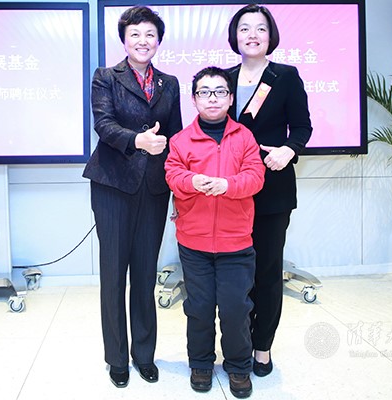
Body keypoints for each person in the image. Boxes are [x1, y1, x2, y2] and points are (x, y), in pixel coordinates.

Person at [82, 5, 182, 388]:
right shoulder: (106, 77)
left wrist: (180, 189)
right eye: (135, 34)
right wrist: (138, 140)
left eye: (150, 34)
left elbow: (177, 136)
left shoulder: (170, 83)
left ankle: (144, 354)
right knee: (113, 274)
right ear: (124, 40)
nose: (143, 41)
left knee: (144, 273)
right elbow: (103, 125)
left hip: (154, 187)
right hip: (113, 184)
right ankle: (117, 358)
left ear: (158, 41)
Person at [165, 66, 265, 399]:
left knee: (236, 307)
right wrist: (192, 180)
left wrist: (228, 185)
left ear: (231, 98)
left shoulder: (245, 137)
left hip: (236, 242)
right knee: (199, 307)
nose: (212, 98)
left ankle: (238, 366)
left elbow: (255, 177)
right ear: (194, 99)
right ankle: (201, 363)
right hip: (194, 242)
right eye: (205, 92)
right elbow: (172, 174)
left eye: (220, 91)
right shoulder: (181, 140)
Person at [225, 4, 313, 378]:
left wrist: (289, 150)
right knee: (234, 274)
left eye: (260, 28)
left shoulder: (285, 76)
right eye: (244, 28)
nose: (252, 35)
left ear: (270, 35)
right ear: (235, 36)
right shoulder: (224, 79)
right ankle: (237, 344)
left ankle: (262, 348)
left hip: (272, 188)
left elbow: (303, 127)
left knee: (267, 271)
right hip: (230, 190)